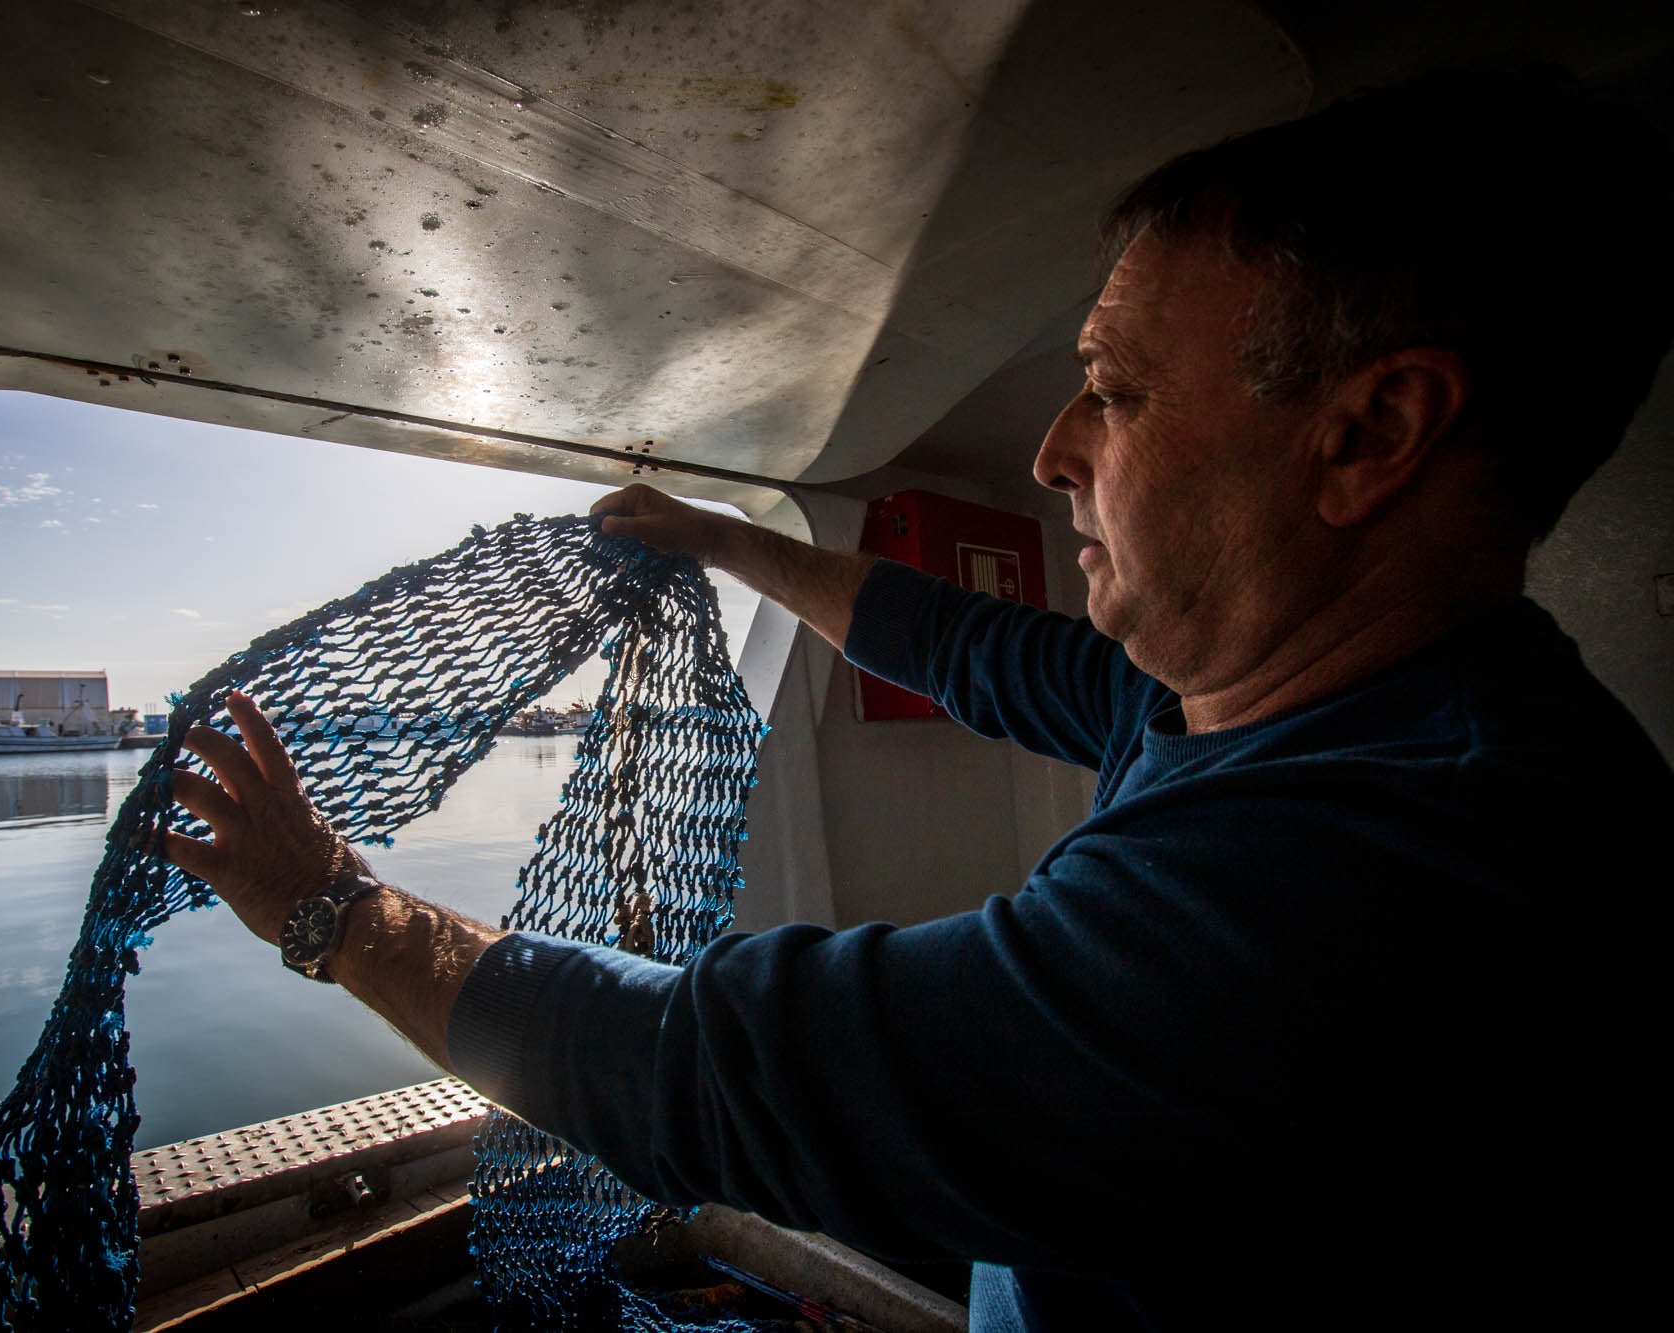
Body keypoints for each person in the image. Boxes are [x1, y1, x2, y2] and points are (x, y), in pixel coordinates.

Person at [168, 69, 1672, 1330]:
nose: (1054, 450)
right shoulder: (1238, 697)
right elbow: (971, 647)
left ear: (1372, 433)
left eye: (1118, 389)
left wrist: (335, 911)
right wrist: (726, 537)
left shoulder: (1390, 871)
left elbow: (740, 1070)